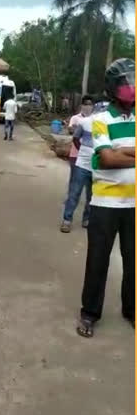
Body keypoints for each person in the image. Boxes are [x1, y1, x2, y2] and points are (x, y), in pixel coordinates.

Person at [77, 58, 135, 338]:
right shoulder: (100, 120)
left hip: (134, 206)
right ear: (114, 87)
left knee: (133, 261)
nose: (132, 88)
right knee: (98, 260)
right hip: (104, 205)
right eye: (127, 83)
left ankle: (131, 310)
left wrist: (123, 154)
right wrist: (117, 155)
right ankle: (89, 313)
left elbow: (115, 155)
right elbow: (107, 158)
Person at [61, 95, 95, 233]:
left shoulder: (102, 124)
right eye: (86, 104)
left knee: (91, 196)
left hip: (95, 166)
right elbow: (75, 138)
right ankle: (67, 220)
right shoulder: (83, 122)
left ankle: (86, 219)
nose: (88, 107)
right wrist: (82, 151)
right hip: (81, 164)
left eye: (91, 105)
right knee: (74, 192)